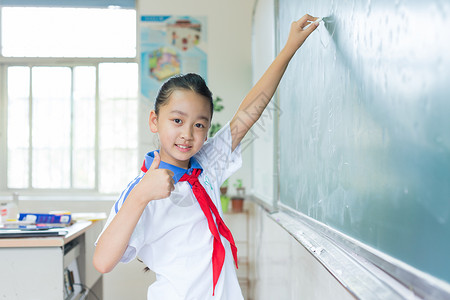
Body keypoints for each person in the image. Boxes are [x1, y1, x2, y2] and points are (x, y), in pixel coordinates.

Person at [93, 14, 320, 299]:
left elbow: (249, 113)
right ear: (154, 120)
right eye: (177, 120)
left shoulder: (207, 165)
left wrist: (289, 49)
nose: (188, 133)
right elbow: (102, 261)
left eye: (199, 124)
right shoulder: (141, 189)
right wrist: (141, 195)